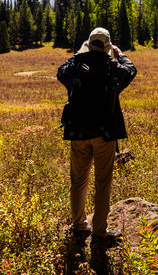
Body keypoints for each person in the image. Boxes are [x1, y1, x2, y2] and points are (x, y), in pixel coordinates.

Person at [57, 27, 137, 248]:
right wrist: (119, 54)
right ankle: (100, 232)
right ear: (109, 46)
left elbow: (61, 70)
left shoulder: (76, 67)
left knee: (78, 181)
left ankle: (80, 227)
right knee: (103, 184)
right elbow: (131, 69)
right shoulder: (113, 68)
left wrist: (79, 54)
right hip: (104, 134)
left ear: (89, 44)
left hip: (78, 133)